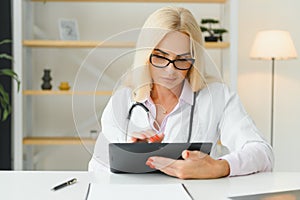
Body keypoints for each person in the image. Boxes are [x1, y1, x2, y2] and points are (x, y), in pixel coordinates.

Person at [88, 6, 274, 179]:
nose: (170, 70)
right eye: (161, 57)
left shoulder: (217, 97)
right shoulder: (122, 100)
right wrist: (129, 156)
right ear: (145, 54)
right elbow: (97, 170)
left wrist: (219, 167)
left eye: (182, 60)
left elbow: (263, 153)